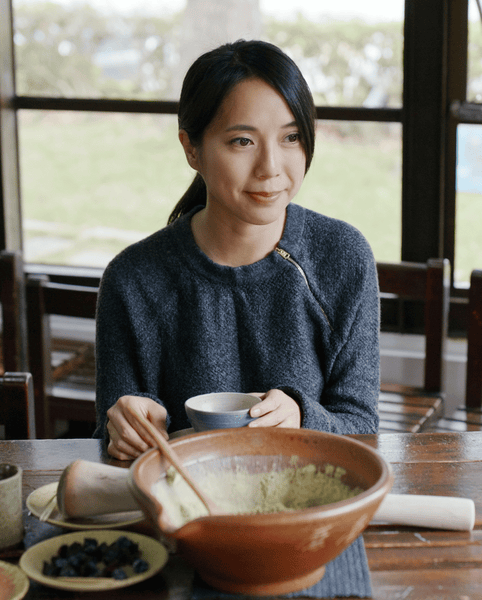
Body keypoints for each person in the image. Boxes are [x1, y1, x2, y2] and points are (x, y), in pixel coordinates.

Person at [94, 39, 380, 460]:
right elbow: (114, 437)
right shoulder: (132, 279)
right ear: (192, 148)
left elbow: (363, 427)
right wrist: (123, 425)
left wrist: (303, 415)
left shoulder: (343, 256)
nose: (271, 167)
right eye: (243, 141)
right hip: (187, 513)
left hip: (307, 510)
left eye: (291, 137)